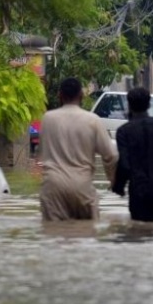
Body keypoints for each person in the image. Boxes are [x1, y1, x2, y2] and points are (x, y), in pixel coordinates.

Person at [38, 77, 119, 221]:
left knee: (53, 236)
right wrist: (113, 182)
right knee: (86, 235)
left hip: (53, 186)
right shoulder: (92, 120)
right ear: (81, 95)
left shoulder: (47, 119)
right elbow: (111, 155)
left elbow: (42, 153)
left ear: (59, 96)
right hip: (82, 186)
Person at [110, 87, 153, 222]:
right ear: (148, 105)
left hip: (139, 193)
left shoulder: (124, 131)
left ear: (129, 105)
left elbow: (124, 165)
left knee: (139, 235)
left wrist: (118, 187)